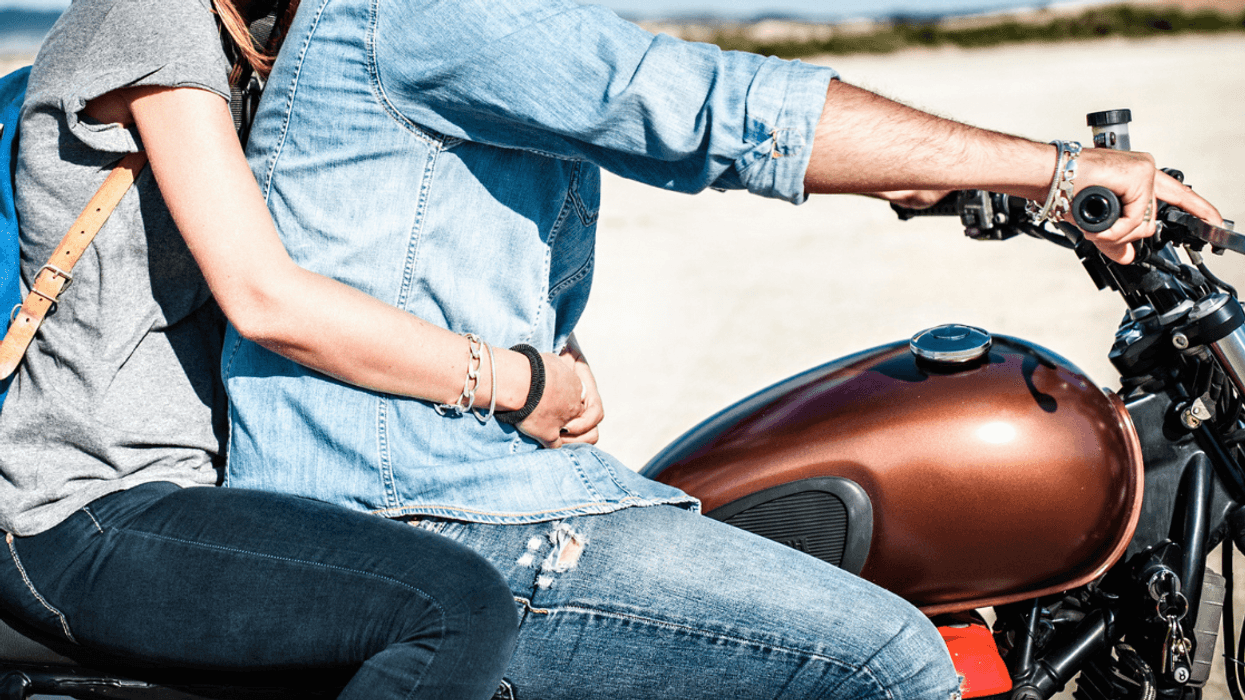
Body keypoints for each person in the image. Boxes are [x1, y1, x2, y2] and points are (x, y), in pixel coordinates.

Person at [216, 0, 1224, 698]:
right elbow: (711, 107)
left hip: (447, 489)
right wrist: (1051, 174)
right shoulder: (432, 14)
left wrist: (923, 170)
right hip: (440, 520)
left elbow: (645, 108)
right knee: (891, 660)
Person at [0, 1, 520, 697]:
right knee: (453, 605)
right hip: (79, 508)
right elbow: (265, 300)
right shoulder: (152, 17)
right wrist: (510, 381)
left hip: (176, 485)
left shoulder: (259, 45)